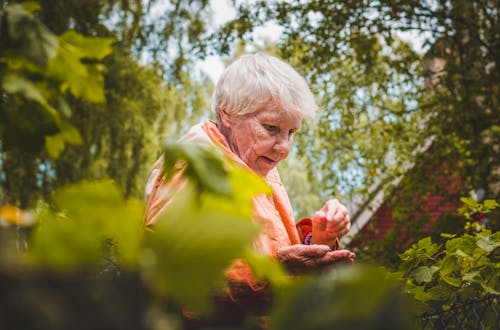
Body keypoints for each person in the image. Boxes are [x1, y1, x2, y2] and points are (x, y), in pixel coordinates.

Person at [144, 52, 355, 325]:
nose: (284, 148)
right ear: (228, 113)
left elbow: (271, 250)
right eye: (271, 128)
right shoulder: (194, 169)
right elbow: (172, 282)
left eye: (292, 132)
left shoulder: (254, 163)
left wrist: (318, 240)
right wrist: (274, 272)